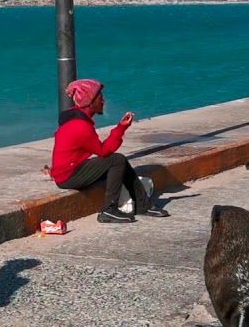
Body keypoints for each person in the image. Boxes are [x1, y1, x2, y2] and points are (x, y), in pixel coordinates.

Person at [49, 78, 169, 223]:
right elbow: (103, 151)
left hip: (69, 170)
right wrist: (121, 128)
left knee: (120, 162)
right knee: (117, 160)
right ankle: (109, 210)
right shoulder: (80, 126)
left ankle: (143, 205)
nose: (103, 101)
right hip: (68, 176)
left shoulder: (76, 118)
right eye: (100, 98)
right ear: (90, 102)